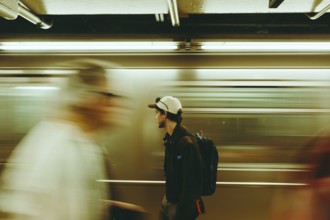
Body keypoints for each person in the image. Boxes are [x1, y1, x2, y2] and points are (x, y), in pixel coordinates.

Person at [0, 59, 140, 220]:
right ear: (90, 97)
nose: (119, 105)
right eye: (112, 96)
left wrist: (106, 207)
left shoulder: (84, 143)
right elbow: (25, 211)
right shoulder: (54, 146)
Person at [148, 96, 205, 220]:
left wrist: (181, 212)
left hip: (179, 206)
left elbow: (192, 183)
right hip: (169, 200)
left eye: (157, 113)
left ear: (165, 114)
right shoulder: (171, 139)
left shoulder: (186, 143)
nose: (155, 117)